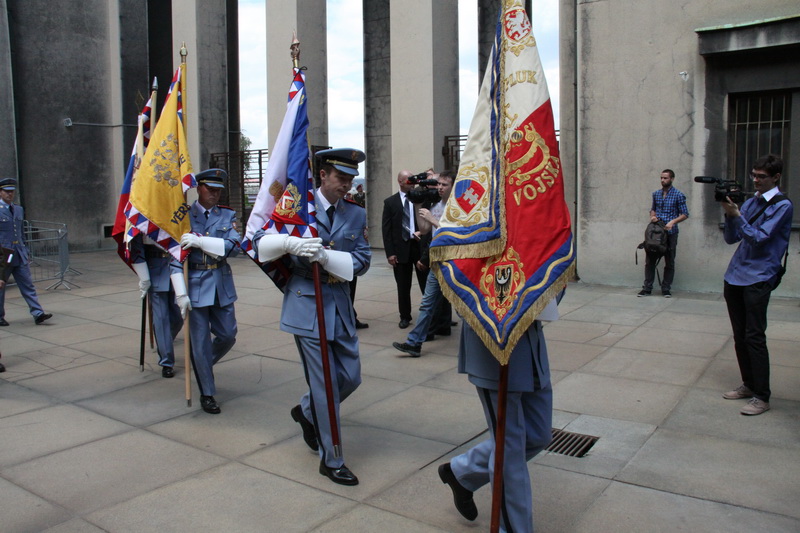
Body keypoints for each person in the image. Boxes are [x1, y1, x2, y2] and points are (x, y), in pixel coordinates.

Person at [255, 148, 371, 486]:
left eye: (350, 179)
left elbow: (362, 259)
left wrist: (329, 257)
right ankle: (332, 458)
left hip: (338, 300)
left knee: (350, 377)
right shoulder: (297, 207)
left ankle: (306, 412)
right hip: (307, 301)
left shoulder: (355, 213)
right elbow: (259, 242)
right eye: (340, 178)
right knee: (323, 385)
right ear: (322, 175)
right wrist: (291, 245)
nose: (346, 185)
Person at [438, 297, 559, 533]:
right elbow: (455, 280)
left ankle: (461, 471)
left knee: (537, 435)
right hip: (492, 346)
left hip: (531, 341)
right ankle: (514, 528)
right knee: (509, 447)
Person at [721, 154, 792, 416]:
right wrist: (730, 216)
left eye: (762, 176)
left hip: (759, 277)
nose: (756, 180)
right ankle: (748, 385)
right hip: (735, 276)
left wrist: (738, 216)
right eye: (754, 175)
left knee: (755, 336)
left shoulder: (783, 206)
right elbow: (732, 238)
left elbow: (760, 238)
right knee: (740, 336)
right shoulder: (751, 202)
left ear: (776, 177)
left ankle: (762, 396)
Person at [171, 168, 241, 415]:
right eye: (210, 189)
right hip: (195, 283)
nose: (215, 194)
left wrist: (202, 242)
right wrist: (180, 293)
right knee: (199, 342)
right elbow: (174, 257)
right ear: (198, 188)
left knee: (228, 334)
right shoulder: (183, 217)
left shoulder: (226, 215)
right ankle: (207, 392)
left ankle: (202, 366)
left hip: (221, 281)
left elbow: (235, 247)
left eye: (218, 190)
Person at [393, 170, 455, 357]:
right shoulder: (435, 205)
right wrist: (418, 203)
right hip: (438, 261)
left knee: (463, 305)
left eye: (444, 184)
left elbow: (456, 232)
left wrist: (433, 219)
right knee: (427, 304)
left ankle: (480, 339)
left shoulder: (459, 206)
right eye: (438, 184)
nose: (440, 188)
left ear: (453, 186)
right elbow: (425, 228)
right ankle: (414, 343)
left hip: (455, 262)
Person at [129, 233, 184, 378]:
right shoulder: (146, 215)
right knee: (161, 320)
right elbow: (136, 248)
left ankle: (164, 341)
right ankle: (166, 362)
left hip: (175, 269)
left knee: (178, 318)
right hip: (155, 269)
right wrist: (143, 276)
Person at [0, 178, 53, 326]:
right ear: (0, 192)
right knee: (1, 287)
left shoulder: (18, 209)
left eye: (12, 192)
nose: (10, 195)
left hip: (19, 253)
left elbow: (21, 231)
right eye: (7, 192)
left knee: (27, 285)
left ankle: (38, 313)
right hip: (3, 256)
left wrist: (25, 249)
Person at [382, 170, 427, 328]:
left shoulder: (420, 199)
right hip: (401, 249)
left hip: (419, 247)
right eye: (408, 180)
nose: (412, 182)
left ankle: (433, 314)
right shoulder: (390, 202)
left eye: (413, 179)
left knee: (426, 284)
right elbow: (386, 230)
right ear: (400, 181)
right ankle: (405, 316)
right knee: (403, 285)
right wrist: (390, 253)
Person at [638, 169, 689, 298]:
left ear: (672, 179)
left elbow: (685, 214)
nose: (662, 180)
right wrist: (652, 216)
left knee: (669, 260)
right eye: (661, 178)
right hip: (656, 232)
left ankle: (666, 289)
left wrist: (673, 222)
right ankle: (647, 288)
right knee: (650, 260)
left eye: (665, 178)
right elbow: (653, 209)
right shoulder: (656, 194)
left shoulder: (678, 195)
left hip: (670, 233)